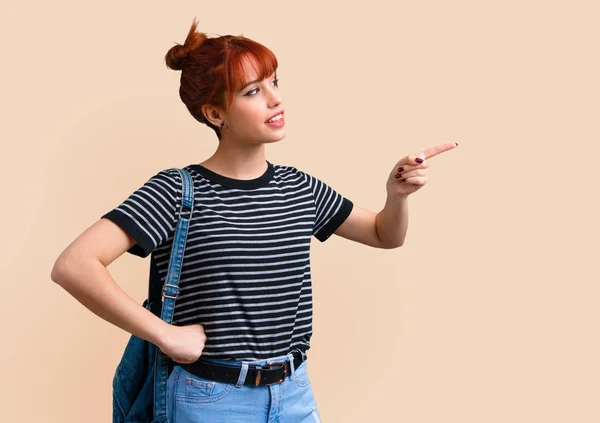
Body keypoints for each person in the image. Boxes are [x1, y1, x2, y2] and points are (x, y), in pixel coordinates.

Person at [51, 16, 452, 423]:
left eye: (275, 82)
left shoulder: (299, 188)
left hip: (294, 393)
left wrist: (396, 195)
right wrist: (165, 335)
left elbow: (385, 234)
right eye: (253, 91)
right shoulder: (179, 192)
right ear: (215, 113)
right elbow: (74, 265)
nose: (275, 100)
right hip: (211, 398)